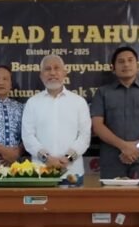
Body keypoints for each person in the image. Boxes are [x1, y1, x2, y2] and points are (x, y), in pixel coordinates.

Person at [91, 46, 139, 185]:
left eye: (130, 60)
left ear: (138, 66)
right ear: (113, 68)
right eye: (121, 61)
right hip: (112, 161)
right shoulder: (102, 93)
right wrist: (123, 146)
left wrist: (138, 146)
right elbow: (97, 126)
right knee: (112, 199)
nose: (126, 64)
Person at [22, 55, 91, 185]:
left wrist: (68, 158)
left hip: (72, 172)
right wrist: (47, 159)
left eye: (56, 68)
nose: (52, 73)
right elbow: (28, 136)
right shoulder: (32, 103)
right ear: (41, 75)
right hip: (40, 173)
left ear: (64, 73)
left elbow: (84, 136)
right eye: (47, 69)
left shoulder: (79, 102)